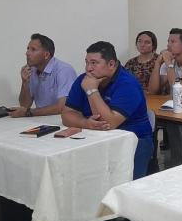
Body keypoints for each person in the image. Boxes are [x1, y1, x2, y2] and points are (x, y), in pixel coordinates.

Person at [62, 41, 153, 180]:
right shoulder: (84, 80)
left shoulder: (127, 83)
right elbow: (67, 115)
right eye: (86, 62)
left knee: (122, 190)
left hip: (133, 141)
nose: (88, 68)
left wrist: (92, 90)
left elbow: (109, 123)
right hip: (97, 139)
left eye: (94, 63)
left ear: (111, 64)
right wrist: (86, 123)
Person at [10, 33, 77, 118]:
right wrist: (24, 83)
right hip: (41, 118)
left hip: (61, 120)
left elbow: (62, 107)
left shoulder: (64, 70)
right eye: (28, 49)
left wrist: (29, 112)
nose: (27, 53)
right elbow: (25, 105)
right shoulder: (32, 70)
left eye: (33, 50)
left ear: (46, 55)